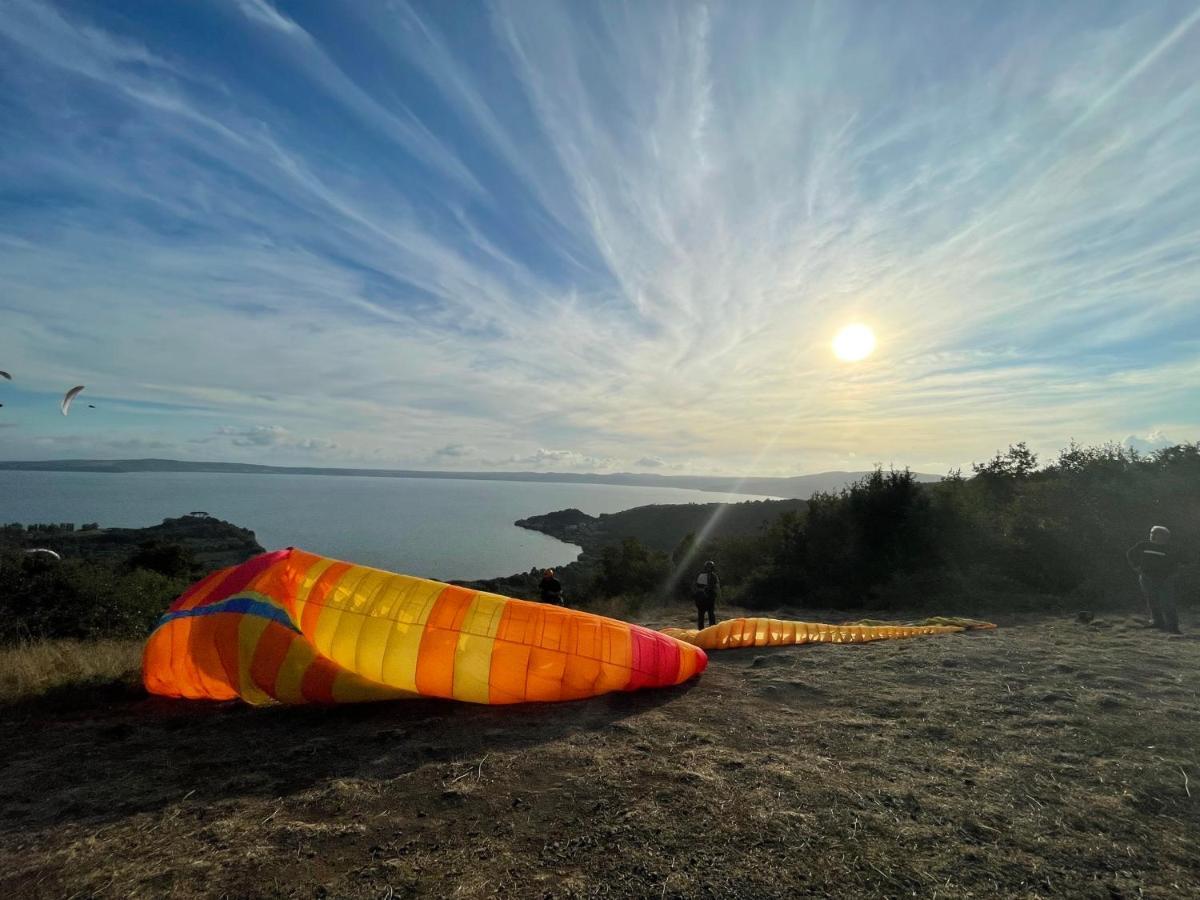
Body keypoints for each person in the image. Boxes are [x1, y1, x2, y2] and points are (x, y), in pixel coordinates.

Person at [1126, 526, 1182, 634]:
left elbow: (1177, 563)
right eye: (1152, 533)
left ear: (1164, 536)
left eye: (1156, 534)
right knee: (1152, 601)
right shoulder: (1144, 545)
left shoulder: (1170, 548)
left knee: (1168, 603)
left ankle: (1173, 627)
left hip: (1165, 579)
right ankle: (1158, 622)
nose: (1153, 535)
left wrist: (1172, 575)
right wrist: (1136, 566)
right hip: (1147, 578)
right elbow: (1130, 554)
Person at [693, 560, 720, 630]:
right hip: (702, 599)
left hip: (710, 598)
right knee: (701, 616)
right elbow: (698, 586)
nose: (709, 569)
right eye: (708, 567)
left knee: (711, 616)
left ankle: (712, 631)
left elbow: (716, 587)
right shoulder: (701, 575)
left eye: (710, 567)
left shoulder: (714, 576)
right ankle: (701, 632)